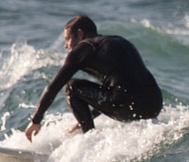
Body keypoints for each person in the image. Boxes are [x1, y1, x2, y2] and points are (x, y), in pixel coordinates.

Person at [24, 15, 163, 140]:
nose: (66, 46)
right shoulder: (119, 41)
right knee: (115, 88)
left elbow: (53, 87)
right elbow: (125, 86)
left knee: (71, 87)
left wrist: (36, 120)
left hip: (128, 104)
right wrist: (86, 117)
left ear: (79, 34)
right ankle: (86, 129)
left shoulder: (84, 48)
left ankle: (90, 139)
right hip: (154, 104)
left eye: (67, 39)